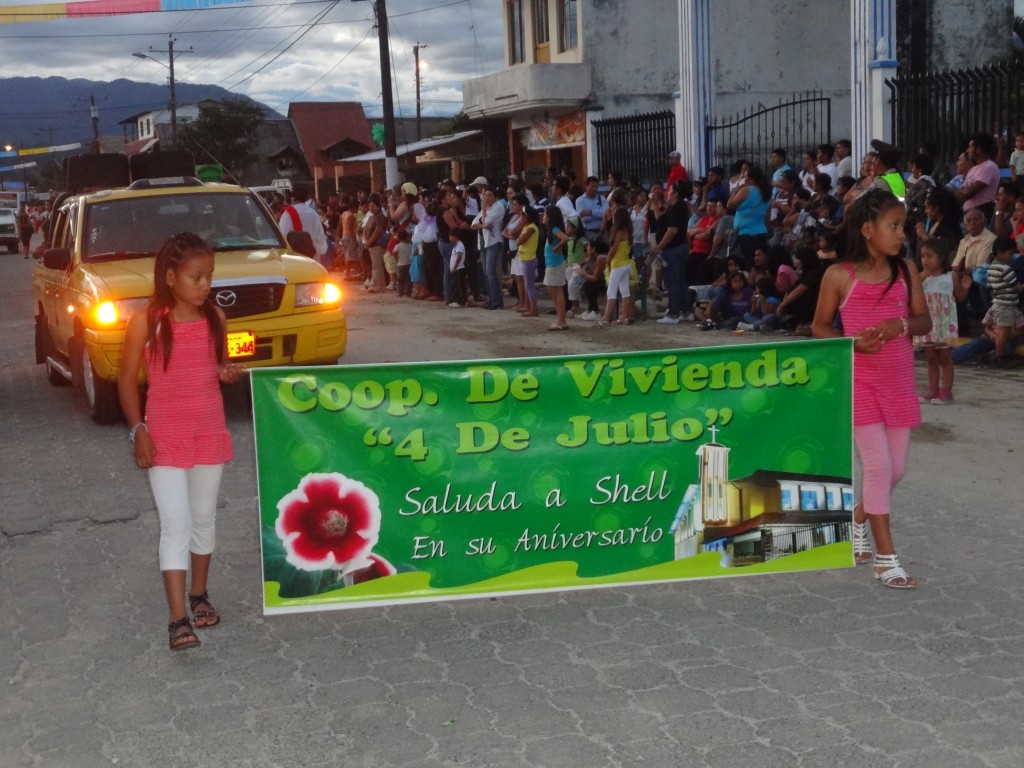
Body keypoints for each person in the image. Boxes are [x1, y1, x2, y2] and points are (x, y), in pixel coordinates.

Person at [117, 232, 244, 651]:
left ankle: (199, 595)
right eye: (197, 277)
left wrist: (226, 373)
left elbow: (218, 367)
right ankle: (176, 620)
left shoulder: (215, 319)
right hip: (165, 437)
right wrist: (139, 431)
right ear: (170, 277)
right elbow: (126, 379)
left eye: (209, 276)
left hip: (208, 430)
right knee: (176, 524)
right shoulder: (147, 320)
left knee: (204, 518)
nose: (206, 284)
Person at [812, 188, 931, 589]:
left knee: (897, 470)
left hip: (898, 383)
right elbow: (819, 327)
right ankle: (886, 559)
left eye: (903, 226)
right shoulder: (838, 275)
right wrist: (850, 343)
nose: (902, 234)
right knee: (878, 468)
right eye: (893, 226)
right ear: (867, 230)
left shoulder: (906, 270)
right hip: (860, 382)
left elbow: (923, 322)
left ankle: (858, 518)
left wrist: (901, 326)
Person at [915, 238, 966, 404]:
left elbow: (958, 297)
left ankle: (946, 392)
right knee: (930, 358)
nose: (925, 260)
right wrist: (921, 277)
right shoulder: (920, 278)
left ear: (941, 257)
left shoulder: (951, 276)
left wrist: (966, 287)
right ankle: (933, 389)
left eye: (929, 256)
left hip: (944, 323)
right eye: (923, 256)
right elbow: (911, 295)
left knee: (944, 358)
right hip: (928, 324)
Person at [651, 180, 694, 324]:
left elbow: (672, 230)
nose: (667, 192)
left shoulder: (677, 208)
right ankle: (685, 310)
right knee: (680, 280)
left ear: (675, 193)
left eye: (670, 190)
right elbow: (660, 219)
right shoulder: (676, 207)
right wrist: (656, 203)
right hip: (679, 248)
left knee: (672, 281)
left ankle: (674, 313)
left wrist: (659, 246)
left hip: (673, 249)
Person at [727, 164, 772, 267]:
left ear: (752, 179)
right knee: (761, 263)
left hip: (746, 233)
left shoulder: (746, 190)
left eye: (746, 177)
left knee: (750, 262)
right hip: (761, 232)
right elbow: (767, 217)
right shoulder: (767, 193)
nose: (744, 179)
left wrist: (737, 190)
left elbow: (729, 204)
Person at [987, 236, 1023, 362]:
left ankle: (998, 351)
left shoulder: (992, 266)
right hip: (1006, 304)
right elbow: (1017, 287)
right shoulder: (1005, 269)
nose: (1012, 257)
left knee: (1006, 329)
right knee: (1004, 329)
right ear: (999, 253)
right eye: (1010, 254)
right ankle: (999, 354)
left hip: (1000, 302)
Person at [471, 186, 506, 310]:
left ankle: (496, 300)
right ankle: (491, 299)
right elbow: (473, 224)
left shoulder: (498, 207)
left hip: (493, 241)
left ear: (495, 197)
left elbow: (487, 222)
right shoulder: (486, 208)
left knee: (490, 271)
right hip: (483, 242)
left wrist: (484, 212)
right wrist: (482, 223)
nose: (487, 198)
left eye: (490, 195)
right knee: (486, 272)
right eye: (485, 196)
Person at [599, 207, 635, 326]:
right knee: (625, 291)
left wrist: (608, 261)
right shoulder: (628, 232)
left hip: (617, 265)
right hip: (626, 264)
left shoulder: (619, 232)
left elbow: (613, 250)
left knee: (611, 291)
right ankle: (624, 317)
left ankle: (606, 318)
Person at [955, 132, 1000, 222]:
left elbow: (968, 192)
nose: (967, 150)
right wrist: (963, 191)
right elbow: (961, 194)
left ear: (978, 149)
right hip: (968, 213)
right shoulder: (973, 169)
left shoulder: (989, 167)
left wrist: (963, 191)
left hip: (981, 214)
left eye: (970, 147)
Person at [279, 187, 328, 260]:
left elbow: (282, 233)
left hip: (294, 255)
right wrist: (322, 251)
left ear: (292, 199)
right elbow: (320, 234)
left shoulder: (288, 213)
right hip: (313, 254)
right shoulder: (313, 213)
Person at [542, 205, 570, 330]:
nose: (543, 217)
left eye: (545, 214)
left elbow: (565, 238)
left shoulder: (554, 229)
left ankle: (561, 320)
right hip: (552, 263)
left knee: (557, 291)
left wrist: (558, 247)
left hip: (555, 264)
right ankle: (560, 318)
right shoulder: (551, 230)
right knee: (553, 290)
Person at [516, 205, 542, 317]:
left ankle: (534, 309)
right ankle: (530, 307)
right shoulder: (528, 226)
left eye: (522, 215)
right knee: (528, 284)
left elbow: (520, 241)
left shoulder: (531, 227)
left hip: (529, 259)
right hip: (526, 258)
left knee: (529, 285)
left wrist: (518, 240)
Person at [575, 176, 608, 241]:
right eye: (592, 186)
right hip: (589, 232)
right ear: (586, 186)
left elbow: (605, 213)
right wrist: (599, 214)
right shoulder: (579, 200)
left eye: (596, 187)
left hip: (603, 232)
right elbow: (584, 218)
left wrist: (590, 213)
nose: (594, 189)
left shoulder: (602, 199)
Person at [447, 229, 468, 308]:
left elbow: (459, 257)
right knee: (456, 284)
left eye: (450, 236)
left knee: (459, 286)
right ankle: (459, 300)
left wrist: (455, 267)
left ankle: (459, 301)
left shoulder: (460, 245)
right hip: (456, 269)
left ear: (455, 237)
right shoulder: (456, 245)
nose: (449, 238)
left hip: (459, 268)